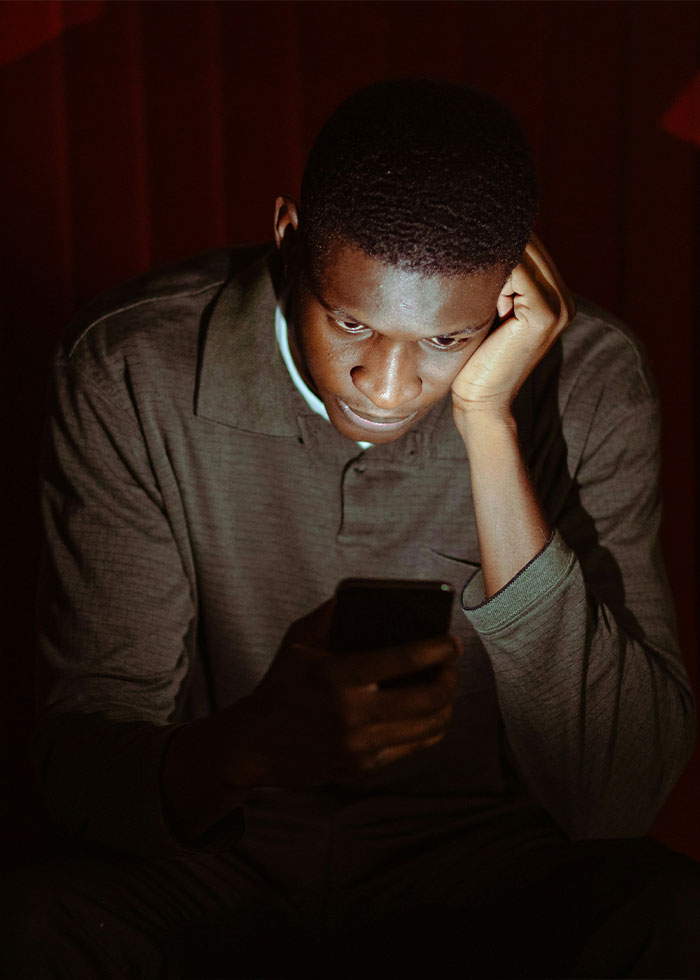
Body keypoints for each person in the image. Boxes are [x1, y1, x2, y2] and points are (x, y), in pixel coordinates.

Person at [3, 79, 699, 978]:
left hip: (481, 864)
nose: (386, 384)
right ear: (290, 237)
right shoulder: (135, 366)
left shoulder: (594, 382)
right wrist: (255, 743)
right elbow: (83, 764)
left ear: (508, 295)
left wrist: (489, 423)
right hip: (220, 857)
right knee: (30, 927)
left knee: (680, 924)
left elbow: (619, 794)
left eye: (446, 342)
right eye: (352, 321)